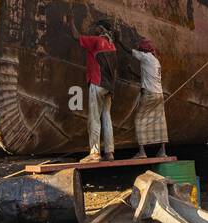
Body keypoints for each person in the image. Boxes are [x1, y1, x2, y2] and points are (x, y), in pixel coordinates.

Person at [67, 14, 122, 163]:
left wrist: (70, 19)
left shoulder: (96, 41)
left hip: (97, 84)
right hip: (108, 87)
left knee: (94, 119)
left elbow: (76, 36)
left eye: (97, 27)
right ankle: (110, 152)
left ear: (101, 30)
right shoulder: (112, 46)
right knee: (107, 118)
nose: (94, 29)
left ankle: (95, 153)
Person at [128, 38, 168, 159]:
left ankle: (142, 152)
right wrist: (132, 73)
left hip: (149, 94)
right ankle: (163, 151)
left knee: (139, 120)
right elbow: (148, 77)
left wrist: (118, 41)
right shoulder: (156, 61)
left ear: (143, 49)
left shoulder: (145, 57)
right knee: (160, 121)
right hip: (159, 94)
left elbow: (129, 51)